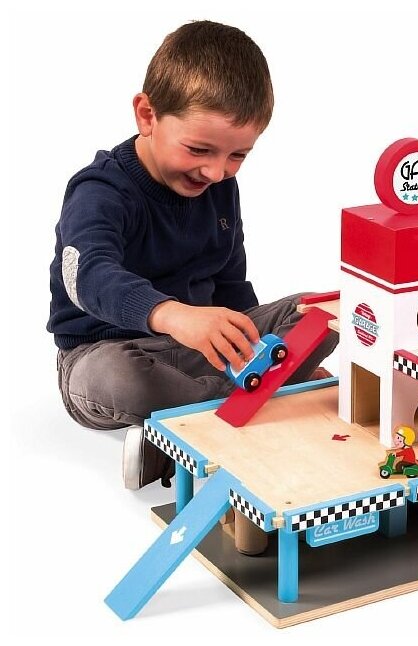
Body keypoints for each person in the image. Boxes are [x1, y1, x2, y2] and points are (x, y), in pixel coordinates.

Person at [47, 21, 338, 553]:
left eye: (237, 155)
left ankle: (219, 406)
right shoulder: (100, 190)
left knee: (320, 311)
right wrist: (171, 313)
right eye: (200, 149)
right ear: (147, 115)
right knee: (121, 379)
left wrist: (260, 347)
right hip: (107, 352)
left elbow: (231, 283)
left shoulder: (219, 188)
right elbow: (85, 275)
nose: (217, 171)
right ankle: (244, 407)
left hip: (205, 348)